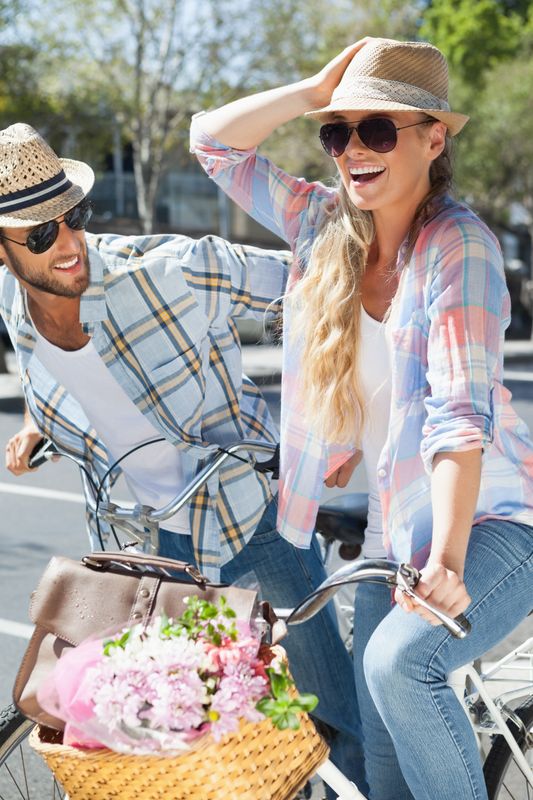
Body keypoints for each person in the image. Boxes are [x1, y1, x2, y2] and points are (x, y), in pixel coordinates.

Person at [190, 36, 533, 800]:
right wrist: (313, 92)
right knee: (381, 776)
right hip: (393, 533)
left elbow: (455, 416)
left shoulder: (459, 249)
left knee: (396, 666)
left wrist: (445, 560)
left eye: (376, 129)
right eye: (337, 132)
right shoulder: (323, 226)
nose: (352, 150)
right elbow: (211, 142)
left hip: (493, 522)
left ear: (432, 137)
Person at [0, 123, 364, 790]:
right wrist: (36, 425)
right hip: (137, 549)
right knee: (165, 739)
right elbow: (65, 378)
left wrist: (340, 421)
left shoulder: (170, 271)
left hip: (248, 517)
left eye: (72, 216)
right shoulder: (12, 305)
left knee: (328, 714)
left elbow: (322, 293)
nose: (70, 243)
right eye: (42, 233)